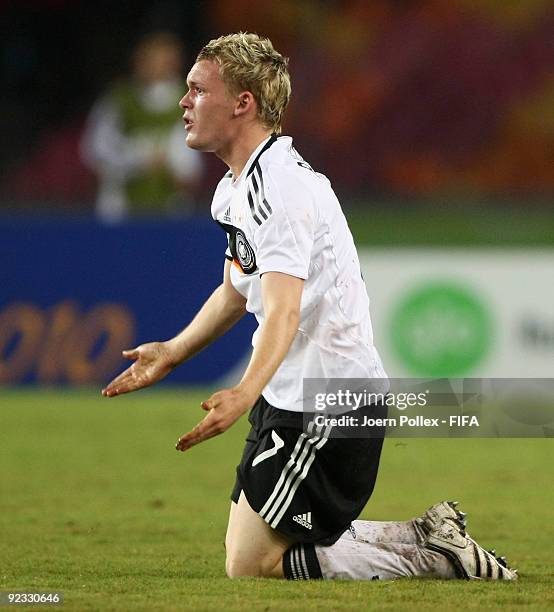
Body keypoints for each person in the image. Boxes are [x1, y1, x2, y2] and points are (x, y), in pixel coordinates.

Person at [102, 33, 517, 582]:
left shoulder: (280, 188)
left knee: (251, 564)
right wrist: (173, 352)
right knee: (253, 551)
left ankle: (436, 559)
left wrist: (241, 394)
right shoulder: (234, 190)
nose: (183, 102)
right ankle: (426, 537)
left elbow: (284, 312)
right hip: (290, 396)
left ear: (242, 103)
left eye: (198, 90)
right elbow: (237, 288)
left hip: (329, 406)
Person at [81, 31, 202, 222]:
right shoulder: (119, 100)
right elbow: (95, 149)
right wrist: (137, 157)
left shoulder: (188, 100)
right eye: (150, 59)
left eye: (163, 59)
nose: (156, 66)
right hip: (120, 207)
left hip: (170, 207)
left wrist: (177, 166)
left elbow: (193, 159)